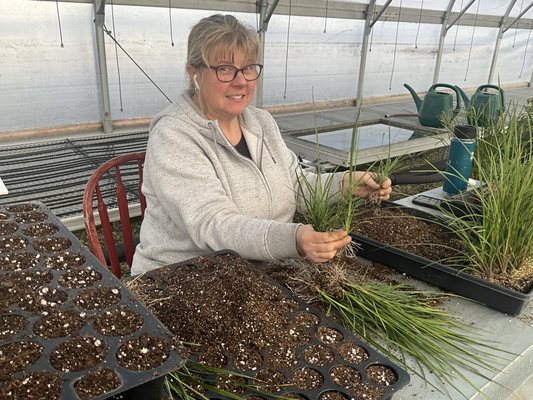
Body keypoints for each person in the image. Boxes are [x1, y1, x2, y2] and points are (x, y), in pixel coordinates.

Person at [130, 14, 392, 275]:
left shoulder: (260, 122)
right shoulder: (173, 135)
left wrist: (344, 184)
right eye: (224, 69)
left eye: (248, 68)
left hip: (256, 273)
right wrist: (294, 239)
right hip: (181, 279)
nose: (241, 80)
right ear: (194, 72)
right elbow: (212, 224)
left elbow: (295, 184)